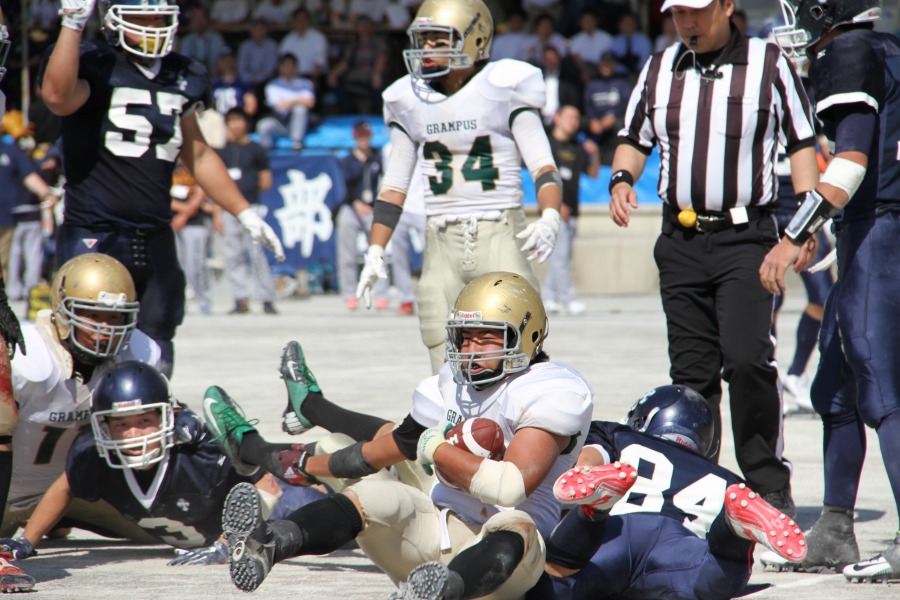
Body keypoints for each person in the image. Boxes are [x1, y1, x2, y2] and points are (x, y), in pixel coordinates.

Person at [207, 272, 594, 598]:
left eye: (487, 336)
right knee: (374, 495)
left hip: (507, 565)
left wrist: (436, 448)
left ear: (528, 334)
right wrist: (309, 465)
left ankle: (442, 592)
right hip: (439, 531)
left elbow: (509, 488)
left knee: (515, 524)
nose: (472, 350)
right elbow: (385, 446)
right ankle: (267, 542)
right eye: (466, 336)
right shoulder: (450, 383)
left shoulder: (548, 389)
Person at [608, 0, 822, 516]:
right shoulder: (659, 67)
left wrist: (805, 225)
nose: (687, 22)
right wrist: (621, 179)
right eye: (678, 12)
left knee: (748, 361)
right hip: (679, 239)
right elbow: (633, 138)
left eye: (697, 11)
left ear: (727, 6)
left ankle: (768, 485)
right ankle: (696, 489)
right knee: (691, 374)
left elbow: (801, 142)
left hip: (746, 238)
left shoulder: (768, 63)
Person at [40, 0, 284, 378]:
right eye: (142, 18)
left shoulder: (184, 73)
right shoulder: (94, 60)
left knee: (158, 347)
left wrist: (245, 212)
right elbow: (57, 96)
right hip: (96, 230)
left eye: (159, 18)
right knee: (85, 345)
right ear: (114, 20)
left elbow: (198, 153)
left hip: (154, 233)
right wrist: (72, 24)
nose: (152, 26)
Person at [760, 0, 900, 582]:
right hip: (872, 227)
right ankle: (835, 528)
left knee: (881, 386)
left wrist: (794, 234)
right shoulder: (887, 47)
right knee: (835, 389)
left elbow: (850, 162)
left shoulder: (848, 50)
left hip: (880, 227)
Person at [356, 0, 565, 374]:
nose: (428, 49)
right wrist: (375, 249)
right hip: (440, 240)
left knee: (515, 342)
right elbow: (393, 186)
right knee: (438, 340)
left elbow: (544, 167)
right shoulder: (408, 98)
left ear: (476, 39)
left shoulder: (504, 86)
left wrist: (550, 215)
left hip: (499, 230)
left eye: (439, 40)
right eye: (424, 40)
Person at [0, 361, 325, 569]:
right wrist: (27, 540)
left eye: (144, 421)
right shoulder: (94, 456)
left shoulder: (198, 450)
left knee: (336, 513)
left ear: (167, 416)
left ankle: (333, 459)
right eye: (121, 424)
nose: (133, 434)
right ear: (102, 426)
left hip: (280, 511)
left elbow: (268, 485)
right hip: (197, 531)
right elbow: (66, 485)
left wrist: (229, 544)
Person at [527, 385, 808, 599]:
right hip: (681, 544)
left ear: (643, 420)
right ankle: (733, 530)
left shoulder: (620, 435)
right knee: (713, 582)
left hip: (617, 532)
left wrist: (585, 475)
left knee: (552, 585)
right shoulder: (726, 479)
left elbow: (587, 462)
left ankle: (596, 509)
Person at [216, 108, 277, 315]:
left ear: (246, 123)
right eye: (231, 121)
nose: (235, 125)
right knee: (233, 255)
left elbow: (266, 181)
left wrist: (247, 188)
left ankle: (266, 298)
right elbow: (216, 185)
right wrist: (217, 213)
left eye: (238, 120)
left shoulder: (256, 149)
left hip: (251, 207)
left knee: (257, 253)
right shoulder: (223, 151)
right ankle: (240, 299)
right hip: (228, 209)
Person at [542, 104, 599, 317]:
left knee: (562, 256)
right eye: (568, 117)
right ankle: (569, 299)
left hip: (573, 211)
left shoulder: (577, 146)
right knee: (561, 257)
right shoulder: (547, 145)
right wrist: (555, 205)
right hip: (554, 210)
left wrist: (595, 154)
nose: (573, 122)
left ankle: (549, 297)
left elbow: (592, 174)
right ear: (557, 118)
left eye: (576, 118)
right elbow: (541, 177)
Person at [337, 121, 388, 311]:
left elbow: (384, 182)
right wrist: (355, 203)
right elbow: (343, 186)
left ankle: (381, 294)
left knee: (377, 252)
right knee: (347, 254)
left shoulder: (377, 158)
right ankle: (349, 294)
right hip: (351, 207)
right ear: (355, 137)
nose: (364, 139)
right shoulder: (347, 160)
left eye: (366, 136)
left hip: (372, 208)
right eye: (360, 136)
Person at [170, 160, 213, 316]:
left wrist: (186, 212)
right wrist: (181, 210)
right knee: (177, 265)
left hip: (195, 222)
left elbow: (203, 189)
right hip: (171, 222)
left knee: (196, 264)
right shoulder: (167, 163)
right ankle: (181, 302)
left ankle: (204, 301)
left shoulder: (196, 164)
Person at [255, 53, 315, 152]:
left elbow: (310, 102)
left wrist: (289, 102)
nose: (289, 69)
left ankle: (297, 143)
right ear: (280, 68)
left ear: (296, 68)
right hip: (280, 122)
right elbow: (279, 107)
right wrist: (298, 100)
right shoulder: (273, 85)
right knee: (263, 125)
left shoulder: (305, 83)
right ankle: (267, 154)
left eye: (291, 66)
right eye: (286, 66)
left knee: (300, 109)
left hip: (301, 124)